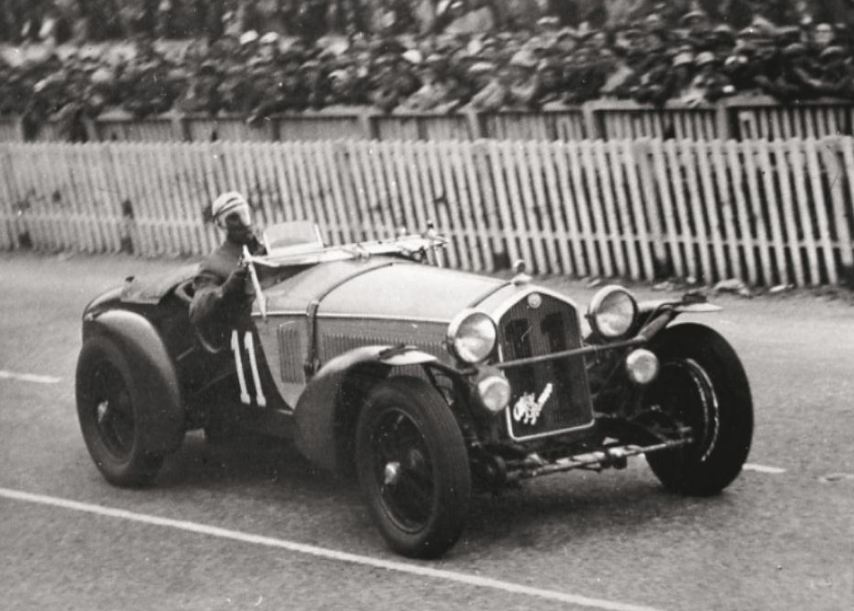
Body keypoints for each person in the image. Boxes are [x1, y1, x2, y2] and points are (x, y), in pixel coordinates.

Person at [190, 192, 265, 349]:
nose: (243, 223)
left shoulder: (269, 250)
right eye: (233, 218)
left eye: (245, 214)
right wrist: (229, 287)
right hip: (251, 340)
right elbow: (198, 310)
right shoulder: (213, 265)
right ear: (221, 225)